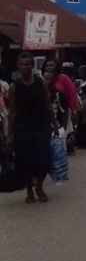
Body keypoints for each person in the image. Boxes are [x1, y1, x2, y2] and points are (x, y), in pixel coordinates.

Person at [5, 52, 57, 203]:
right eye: (21, 65)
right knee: (25, 160)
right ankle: (29, 189)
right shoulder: (14, 87)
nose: (24, 67)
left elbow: (48, 105)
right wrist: (9, 135)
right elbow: (12, 112)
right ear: (17, 67)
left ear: (32, 66)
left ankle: (39, 186)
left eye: (27, 64)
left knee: (43, 158)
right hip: (22, 127)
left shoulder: (41, 83)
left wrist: (55, 124)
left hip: (41, 125)